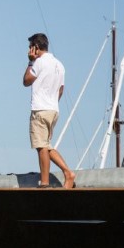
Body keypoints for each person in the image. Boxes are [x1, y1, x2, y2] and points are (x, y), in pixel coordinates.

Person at [23, 32, 76, 188]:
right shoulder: (59, 65)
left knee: (41, 148)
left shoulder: (38, 62)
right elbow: (61, 89)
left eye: (30, 47)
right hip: (53, 110)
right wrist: (52, 103)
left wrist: (30, 62)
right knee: (46, 146)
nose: (29, 51)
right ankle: (68, 173)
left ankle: (45, 182)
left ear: (36, 48)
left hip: (40, 109)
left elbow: (26, 81)